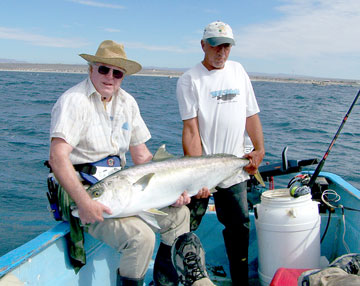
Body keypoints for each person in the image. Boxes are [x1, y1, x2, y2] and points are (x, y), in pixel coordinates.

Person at [48, 40, 214, 286]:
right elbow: (57, 158)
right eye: (104, 69)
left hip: (122, 190)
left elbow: (143, 157)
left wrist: (172, 191)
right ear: (91, 69)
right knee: (142, 237)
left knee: (179, 214)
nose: (110, 77)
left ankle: (164, 281)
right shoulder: (73, 101)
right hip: (85, 194)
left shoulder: (127, 103)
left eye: (118, 73)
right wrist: (84, 203)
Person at [176, 21, 265, 286]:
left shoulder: (238, 71)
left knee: (239, 227)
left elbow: (251, 114)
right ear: (203, 45)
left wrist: (259, 149)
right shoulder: (189, 80)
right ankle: (170, 279)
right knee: (182, 228)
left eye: (226, 46)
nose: (221, 52)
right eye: (215, 46)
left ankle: (240, 282)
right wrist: (197, 177)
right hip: (204, 170)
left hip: (234, 169)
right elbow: (190, 131)